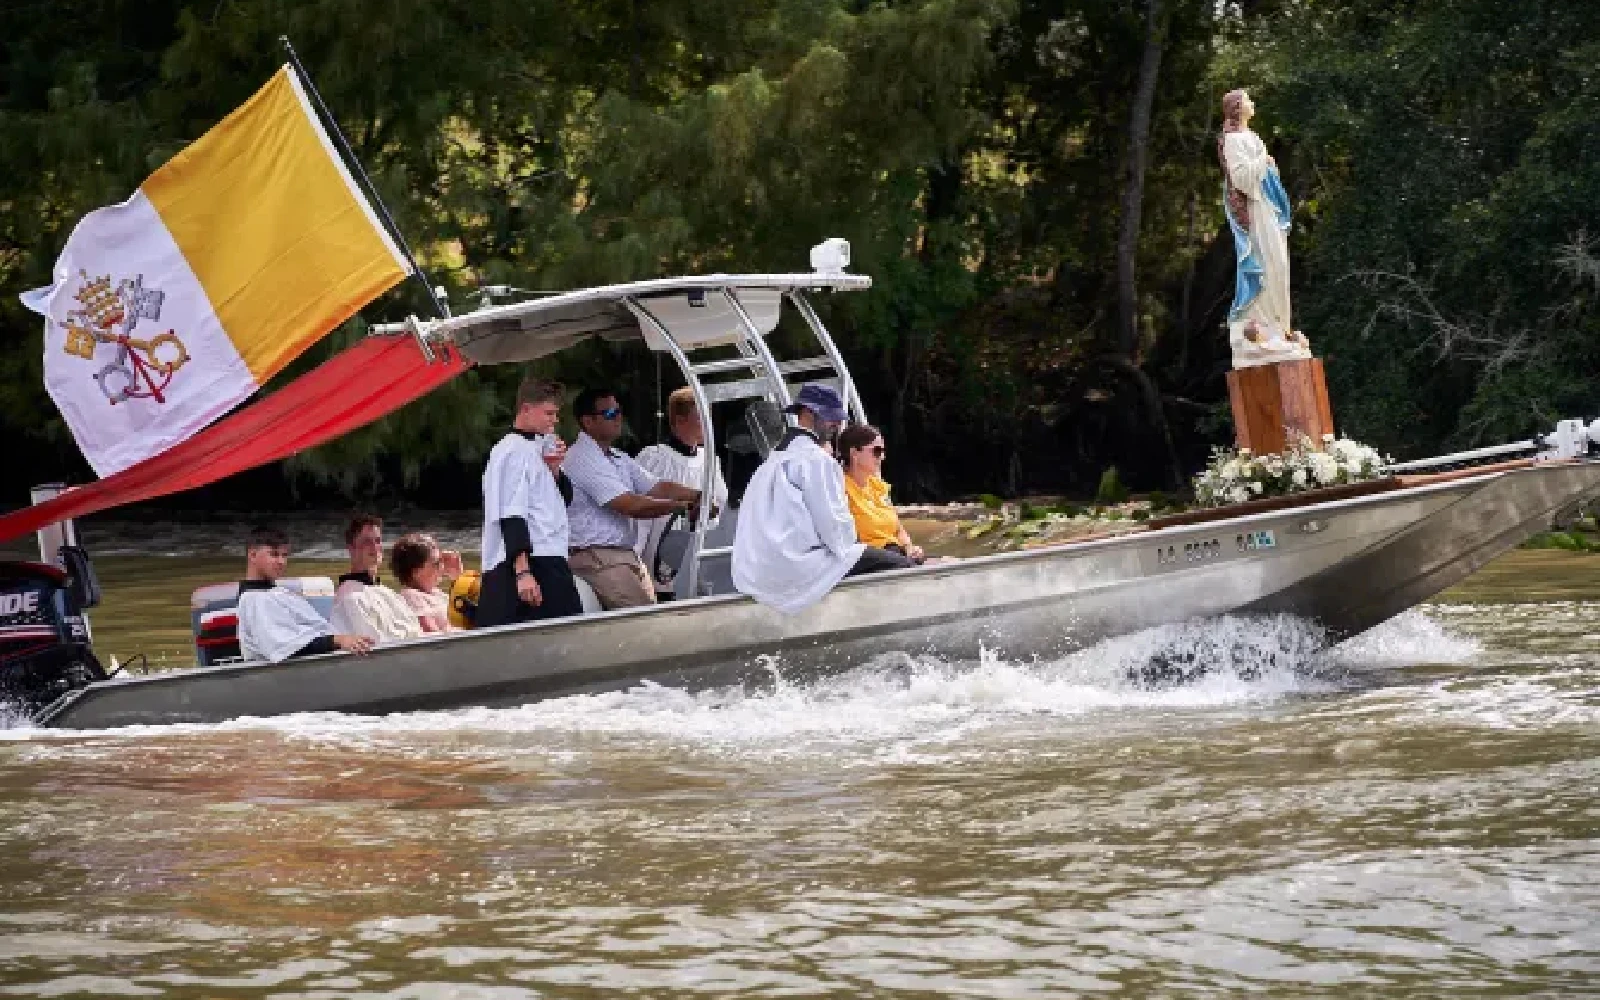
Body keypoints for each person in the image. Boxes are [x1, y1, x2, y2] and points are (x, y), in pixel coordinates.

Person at [733, 384, 905, 614]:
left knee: (881, 554)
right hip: (797, 568)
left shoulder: (770, 463)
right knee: (897, 563)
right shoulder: (816, 461)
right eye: (830, 418)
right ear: (807, 414)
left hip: (754, 573)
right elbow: (837, 535)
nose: (835, 425)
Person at [563, 387, 700, 609]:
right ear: (587, 422)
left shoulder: (618, 457)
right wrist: (681, 507)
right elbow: (627, 504)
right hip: (597, 558)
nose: (618, 418)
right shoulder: (582, 457)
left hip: (623, 557)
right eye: (609, 414)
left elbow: (657, 486)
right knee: (643, 628)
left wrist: (698, 495)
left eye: (618, 411)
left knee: (651, 620)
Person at [479, 376, 585, 627]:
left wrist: (554, 470)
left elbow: (562, 500)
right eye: (548, 413)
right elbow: (511, 513)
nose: (554, 420)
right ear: (526, 409)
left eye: (556, 414)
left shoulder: (537, 448)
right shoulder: (511, 451)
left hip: (550, 557)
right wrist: (523, 572)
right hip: (533, 562)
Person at [634, 386, 729, 598]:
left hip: (699, 555)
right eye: (700, 417)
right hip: (660, 558)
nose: (707, 424)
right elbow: (639, 513)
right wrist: (636, 561)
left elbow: (719, 506)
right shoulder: (655, 459)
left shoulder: (710, 460)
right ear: (680, 420)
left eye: (709, 416)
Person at [236, 525, 373, 662]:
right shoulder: (255, 600)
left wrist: (344, 639)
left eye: (284, 555)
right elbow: (287, 647)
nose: (281, 562)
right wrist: (339, 640)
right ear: (252, 555)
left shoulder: (278, 593)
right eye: (274, 554)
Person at [837, 424, 922, 568]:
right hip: (870, 559)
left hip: (895, 555)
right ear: (854, 453)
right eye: (877, 451)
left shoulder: (876, 485)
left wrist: (909, 547)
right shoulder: (839, 488)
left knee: (948, 562)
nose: (882, 457)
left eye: (883, 451)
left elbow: (898, 528)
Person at [392, 533, 461, 633]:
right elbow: (432, 635)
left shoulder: (438, 594)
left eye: (442, 561)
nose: (442, 567)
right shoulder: (411, 596)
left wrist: (458, 577)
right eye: (436, 563)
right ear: (415, 571)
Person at [336, 514, 385, 597]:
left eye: (378, 540)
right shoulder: (350, 595)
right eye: (367, 541)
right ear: (351, 548)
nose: (375, 547)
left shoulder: (384, 591)